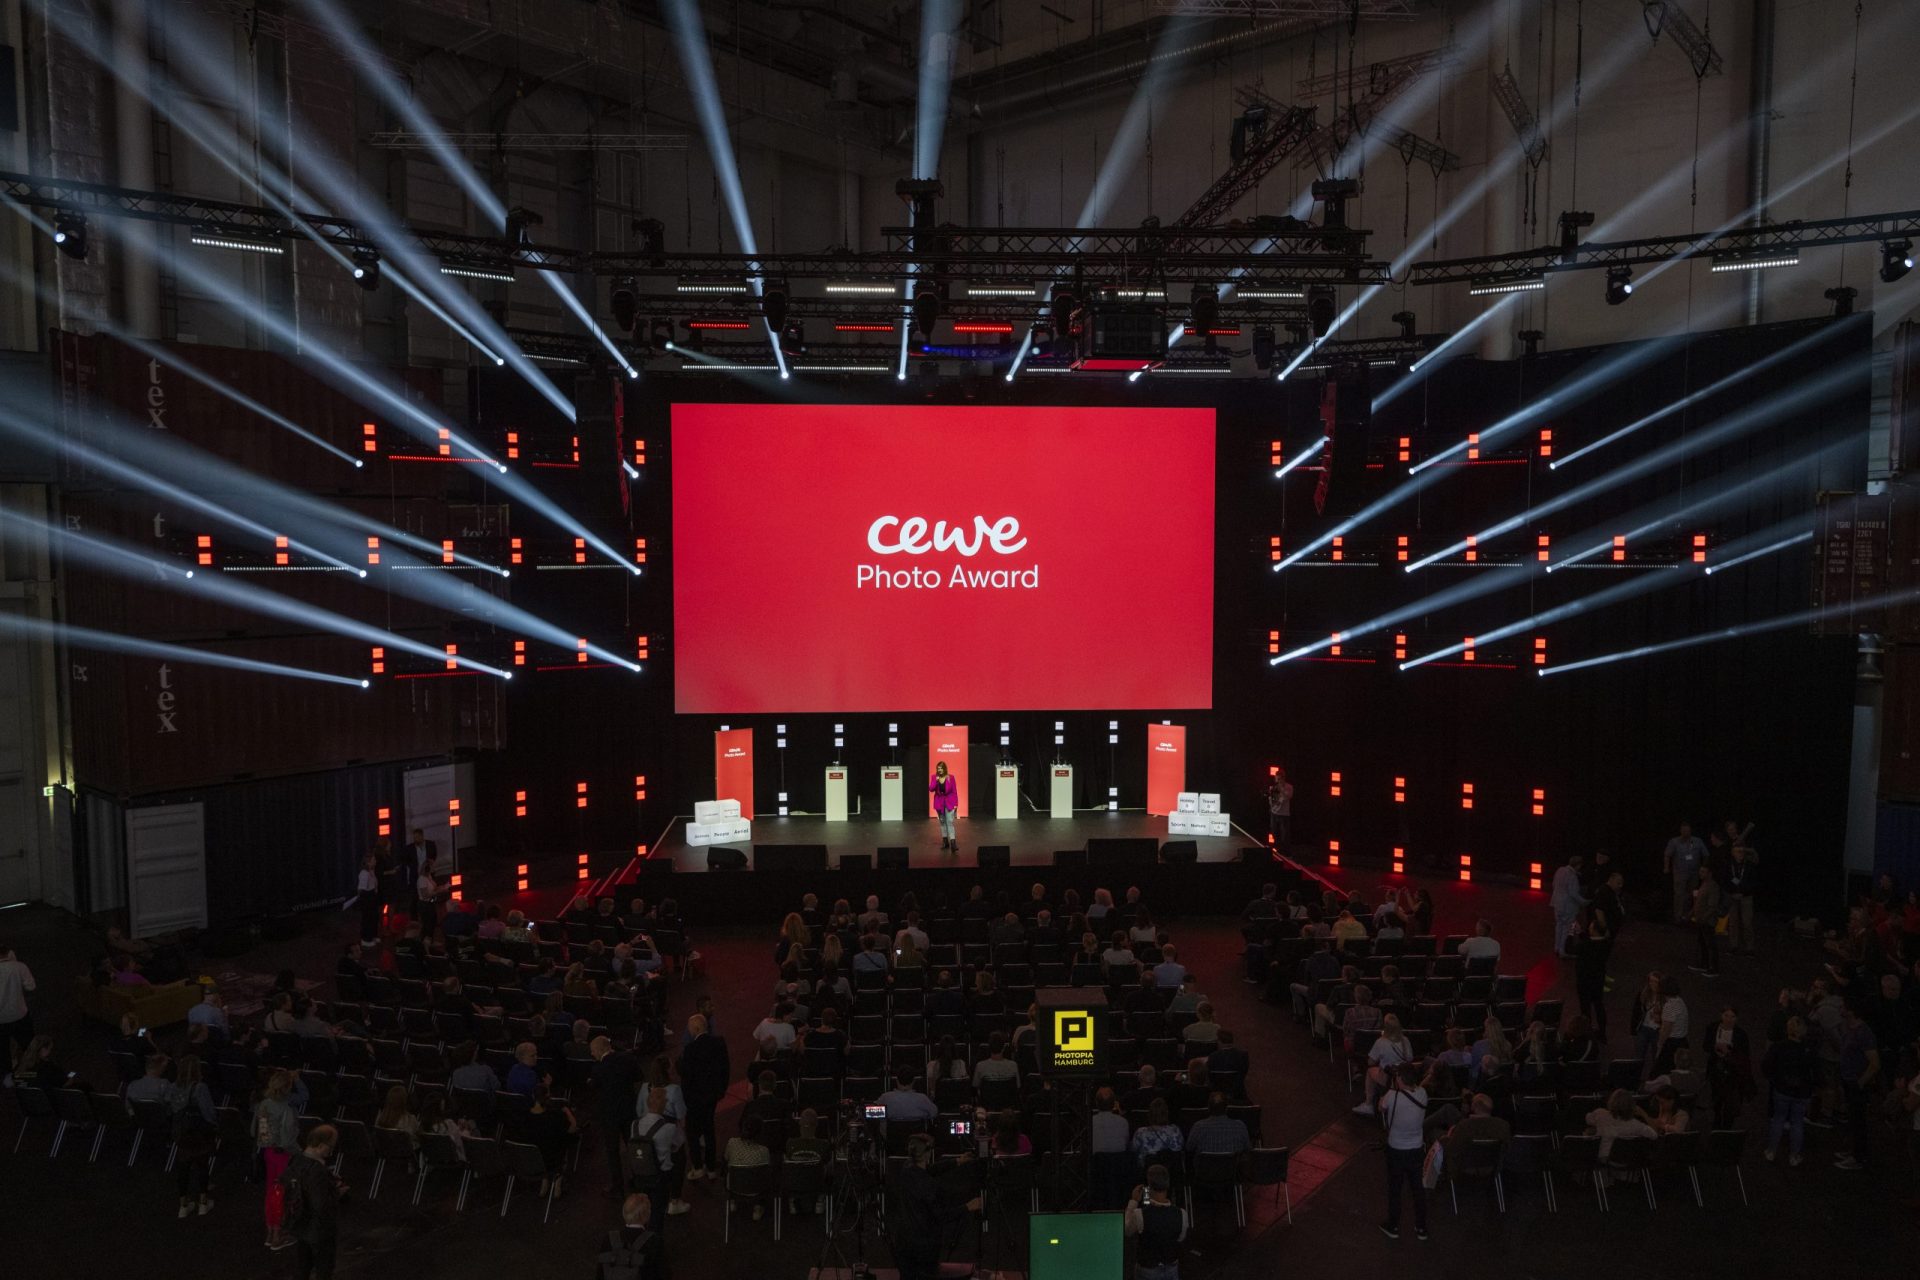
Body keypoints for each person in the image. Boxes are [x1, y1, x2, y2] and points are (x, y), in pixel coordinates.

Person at [886, 1134, 981, 1280]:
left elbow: (930, 1169)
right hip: (924, 1244)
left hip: (903, 1240)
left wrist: (957, 1161)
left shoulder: (907, 1169)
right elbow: (941, 1215)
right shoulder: (928, 1185)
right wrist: (968, 1206)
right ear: (927, 1153)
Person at [279, 1123, 343, 1280]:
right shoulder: (317, 1170)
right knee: (324, 1267)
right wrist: (337, 1192)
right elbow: (320, 1204)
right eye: (330, 1147)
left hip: (300, 1223)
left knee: (303, 1266)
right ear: (321, 1146)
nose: (331, 1152)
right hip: (319, 1229)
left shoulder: (296, 1160)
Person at [1377, 1062, 1429, 1241]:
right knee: (1417, 1189)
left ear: (1399, 1078)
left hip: (1396, 1149)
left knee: (1395, 1188)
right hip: (1416, 1149)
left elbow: (1381, 1107)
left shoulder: (1392, 1096)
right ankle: (1421, 1227)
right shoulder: (1422, 1094)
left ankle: (1393, 1225)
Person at [678, 1014, 730, 1181]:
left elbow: (686, 1076)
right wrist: (721, 1090)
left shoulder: (690, 1049)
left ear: (696, 1028)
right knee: (709, 1129)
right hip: (713, 1095)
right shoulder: (719, 1042)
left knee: (692, 1133)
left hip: (695, 1098)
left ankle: (698, 1167)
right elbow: (725, 1068)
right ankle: (711, 1167)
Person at [255, 1070, 302, 1251]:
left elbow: (262, 1132)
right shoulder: (287, 1108)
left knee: (271, 1192)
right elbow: (288, 1139)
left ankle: (270, 1231)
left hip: (269, 1152)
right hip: (284, 1155)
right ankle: (279, 1234)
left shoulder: (264, 1105)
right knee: (283, 1194)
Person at [592, 1035, 644, 1198]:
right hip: (628, 1110)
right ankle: (638, 1179)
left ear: (599, 1050)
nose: (592, 1054)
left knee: (612, 1151)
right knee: (632, 1146)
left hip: (609, 1115)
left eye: (593, 1051)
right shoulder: (628, 1059)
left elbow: (595, 1087)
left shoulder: (598, 1069)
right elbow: (639, 1076)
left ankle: (617, 1187)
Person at [1834, 1000, 1881, 1170]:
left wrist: (1860, 1083)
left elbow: (1875, 1063)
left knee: (1858, 1121)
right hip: (1850, 1081)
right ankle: (1854, 1151)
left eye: (1844, 1007)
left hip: (1856, 1084)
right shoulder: (1851, 1028)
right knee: (1854, 1120)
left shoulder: (1863, 1033)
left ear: (1852, 1011)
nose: (1840, 1009)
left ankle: (1859, 1157)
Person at [1125, 1163, 1190, 1280]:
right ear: (1167, 1185)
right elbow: (1180, 1238)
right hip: (1171, 1266)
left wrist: (1133, 1201)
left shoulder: (1140, 1214)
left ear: (1148, 1187)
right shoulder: (1182, 1214)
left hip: (1147, 1268)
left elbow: (1127, 1230)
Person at [1703, 1007, 1755, 1129]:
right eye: (1726, 1016)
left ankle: (1727, 1126)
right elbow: (1705, 1045)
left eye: (1732, 1017)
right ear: (1721, 1015)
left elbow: (1745, 1054)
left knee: (1730, 1100)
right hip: (1715, 1068)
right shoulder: (1712, 1028)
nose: (1729, 1019)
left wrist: (1730, 1052)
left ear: (1736, 1018)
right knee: (1716, 1097)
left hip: (1733, 1072)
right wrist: (1715, 1048)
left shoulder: (1741, 1034)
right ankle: (1716, 1121)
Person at [1574, 897, 1613, 1040]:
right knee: (1598, 1005)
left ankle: (1586, 1032)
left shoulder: (1586, 946)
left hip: (1584, 980)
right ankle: (1602, 1031)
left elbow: (1571, 947)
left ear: (1595, 931)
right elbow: (1590, 939)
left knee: (1585, 1008)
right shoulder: (1605, 944)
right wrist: (1581, 933)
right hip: (1598, 978)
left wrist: (1572, 934)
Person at [605, 1194, 668, 1280]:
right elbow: (664, 1274)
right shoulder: (654, 1242)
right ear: (647, 1216)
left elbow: (601, 1273)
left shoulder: (609, 1239)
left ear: (624, 1213)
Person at [1585, 1088, 1656, 1161]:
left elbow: (1588, 1119)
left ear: (1611, 1102)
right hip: (1627, 1161)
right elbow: (1654, 1135)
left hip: (1604, 1160)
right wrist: (1643, 1114)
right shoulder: (1636, 1125)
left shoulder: (1600, 1114)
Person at [1664, 822, 1707, 925]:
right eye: (1683, 830)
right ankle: (1678, 917)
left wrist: (1704, 868)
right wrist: (1666, 867)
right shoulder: (1674, 842)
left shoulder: (1697, 841)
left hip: (1694, 873)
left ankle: (1687, 916)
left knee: (1691, 894)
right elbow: (1667, 855)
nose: (1685, 832)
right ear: (1680, 831)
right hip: (1680, 872)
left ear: (1690, 831)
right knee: (1679, 894)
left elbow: (1705, 855)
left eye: (1687, 830)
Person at [1690, 865, 1727, 977]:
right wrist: (1691, 913)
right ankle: (1704, 964)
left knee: (1710, 945)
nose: (1700, 873)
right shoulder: (1704, 884)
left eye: (1703, 872)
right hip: (1702, 919)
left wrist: (1704, 917)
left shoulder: (1713, 887)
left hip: (1707, 921)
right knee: (1703, 943)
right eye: (1700, 871)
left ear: (1709, 873)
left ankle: (1714, 968)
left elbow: (1712, 906)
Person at [1186, 1092, 1250, 1154]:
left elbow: (1189, 1148)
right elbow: (1248, 1148)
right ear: (1226, 1108)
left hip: (1206, 1162)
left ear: (1208, 1108)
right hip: (1233, 1161)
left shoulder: (1198, 1127)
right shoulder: (1240, 1126)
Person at [1550, 855, 1587, 957]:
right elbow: (1573, 893)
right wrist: (1584, 902)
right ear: (1578, 865)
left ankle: (1557, 948)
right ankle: (1562, 950)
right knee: (1566, 928)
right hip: (1568, 906)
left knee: (1559, 926)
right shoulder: (1572, 876)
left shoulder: (1560, 870)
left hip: (1557, 903)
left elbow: (1554, 884)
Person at [1726, 844, 1758, 954]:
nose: (1740, 853)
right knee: (1733, 922)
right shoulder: (1728, 865)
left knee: (1747, 922)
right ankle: (1733, 945)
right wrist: (1732, 892)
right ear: (1733, 853)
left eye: (1742, 851)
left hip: (1746, 897)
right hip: (1732, 896)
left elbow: (1753, 882)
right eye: (1738, 851)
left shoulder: (1749, 865)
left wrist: (1743, 893)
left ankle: (1750, 947)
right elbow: (1726, 880)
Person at [931, 761, 960, 853]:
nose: (939, 770)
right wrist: (936, 780)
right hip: (939, 803)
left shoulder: (950, 777)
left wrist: (956, 804)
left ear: (944, 769)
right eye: (938, 768)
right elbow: (931, 789)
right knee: (942, 822)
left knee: (950, 821)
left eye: (941, 768)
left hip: (949, 802)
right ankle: (945, 842)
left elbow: (954, 791)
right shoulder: (934, 777)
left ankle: (953, 843)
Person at [353, 854, 382, 944]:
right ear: (368, 862)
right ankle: (366, 939)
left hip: (372, 896)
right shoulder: (364, 873)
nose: (375, 862)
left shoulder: (371, 871)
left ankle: (373, 935)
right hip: (367, 897)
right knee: (367, 918)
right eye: (373, 860)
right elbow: (361, 889)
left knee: (374, 917)